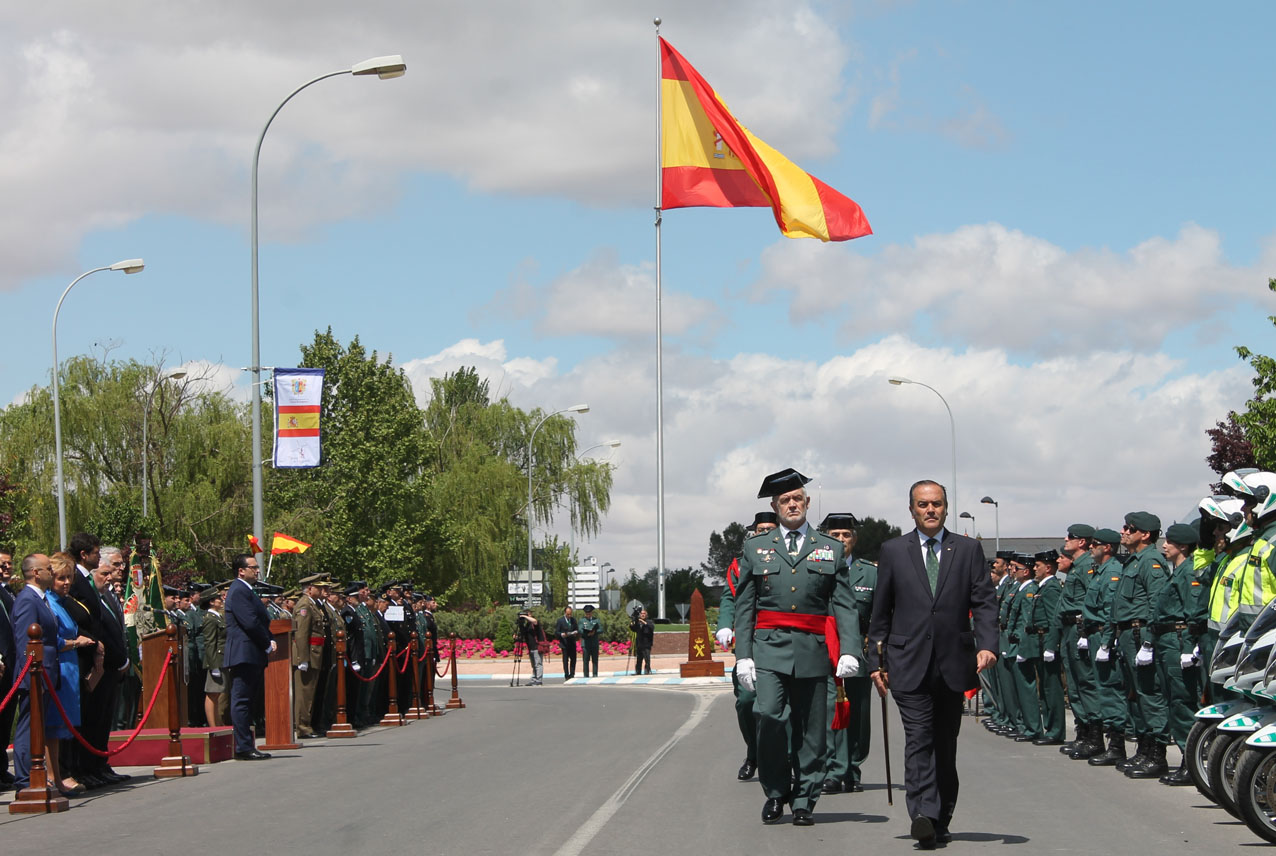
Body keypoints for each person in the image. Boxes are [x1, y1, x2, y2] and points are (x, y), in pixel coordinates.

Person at [866, 480, 998, 849]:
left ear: (945, 507)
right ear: (911, 509)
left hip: (953, 663)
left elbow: (985, 601)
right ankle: (922, 814)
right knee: (919, 739)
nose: (930, 510)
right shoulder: (894, 551)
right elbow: (882, 611)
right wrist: (876, 662)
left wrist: (987, 645)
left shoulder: (968, 549)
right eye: (922, 504)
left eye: (936, 504)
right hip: (907, 662)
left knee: (945, 744)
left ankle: (941, 816)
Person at [734, 468, 858, 827]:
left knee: (811, 730)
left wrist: (849, 649)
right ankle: (775, 790)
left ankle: (804, 798)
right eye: (785, 500)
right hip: (769, 649)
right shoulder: (756, 548)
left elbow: (845, 604)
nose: (792, 504)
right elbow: (745, 605)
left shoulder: (829, 548)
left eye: (798, 499)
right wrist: (744, 656)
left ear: (807, 503)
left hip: (813, 649)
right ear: (775, 506)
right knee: (770, 715)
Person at [717, 510, 778, 780]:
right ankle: (753, 753)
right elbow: (730, 598)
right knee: (745, 702)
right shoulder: (739, 565)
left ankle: (782, 759)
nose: (764, 533)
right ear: (752, 533)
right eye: (760, 529)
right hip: (750, 644)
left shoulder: (790, 561)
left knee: (778, 707)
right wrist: (725, 625)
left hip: (779, 642)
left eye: (769, 529)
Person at [819, 512, 877, 795]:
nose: (841, 540)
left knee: (858, 714)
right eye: (835, 536)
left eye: (846, 535)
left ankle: (853, 766)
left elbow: (881, 617)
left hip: (860, 652)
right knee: (831, 709)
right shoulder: (815, 568)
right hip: (825, 652)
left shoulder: (871, 572)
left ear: (855, 539)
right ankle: (834, 768)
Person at [1111, 511, 1170, 778]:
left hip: (1139, 634)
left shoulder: (1151, 561)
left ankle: (1157, 754)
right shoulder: (1133, 561)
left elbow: (1158, 602)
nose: (1123, 532)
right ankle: (1144, 749)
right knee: (1137, 696)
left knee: (1150, 694)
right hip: (1128, 634)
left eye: (1129, 528)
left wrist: (1148, 642)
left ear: (1145, 534)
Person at [1150, 522, 1203, 785]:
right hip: (1167, 639)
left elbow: (1192, 610)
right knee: (1173, 700)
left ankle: (1191, 762)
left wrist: (1187, 648)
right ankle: (1188, 759)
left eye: (1169, 542)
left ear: (1183, 545)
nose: (1164, 545)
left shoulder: (1189, 570)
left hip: (1177, 639)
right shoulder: (1177, 571)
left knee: (1183, 702)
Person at [46, 553, 98, 796]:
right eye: (60, 578)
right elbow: (51, 638)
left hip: (70, 667)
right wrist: (75, 643)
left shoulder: (63, 602)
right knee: (56, 723)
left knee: (66, 724)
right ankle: (57, 774)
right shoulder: (48, 602)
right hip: (60, 665)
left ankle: (64, 772)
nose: (66, 582)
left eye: (69, 578)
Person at [10, 554, 62, 791]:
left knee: (37, 725)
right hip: (35, 675)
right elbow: (24, 641)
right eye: (48, 568)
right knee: (28, 726)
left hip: (46, 673)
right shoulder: (27, 600)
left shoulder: (41, 599)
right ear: (36, 573)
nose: (53, 571)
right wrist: (32, 676)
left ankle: (35, 774)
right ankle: (24, 778)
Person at [223, 554, 274, 760]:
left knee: (246, 700)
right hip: (244, 652)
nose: (257, 570)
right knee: (241, 700)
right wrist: (266, 643)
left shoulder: (246, 590)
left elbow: (258, 620)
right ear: (241, 570)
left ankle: (246, 744)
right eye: (253, 567)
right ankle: (243, 746)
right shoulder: (238, 591)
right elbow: (250, 622)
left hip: (251, 652)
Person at [291, 575, 327, 738]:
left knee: (309, 692)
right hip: (308, 654)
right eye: (318, 588)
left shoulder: (313, 605)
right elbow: (301, 633)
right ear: (310, 589)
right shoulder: (304, 605)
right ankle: (302, 726)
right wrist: (302, 658)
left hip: (315, 653)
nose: (321, 590)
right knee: (304, 693)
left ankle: (307, 724)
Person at [0, 546, 17, 789]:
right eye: (1, 564)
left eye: (8, 563)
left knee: (5, 720)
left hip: (13, 665)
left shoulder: (10, 592)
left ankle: (2, 769)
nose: (6, 568)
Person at [200, 586, 228, 726]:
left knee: (217, 693)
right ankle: (213, 725)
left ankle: (217, 723)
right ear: (211, 602)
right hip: (215, 660)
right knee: (212, 693)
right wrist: (213, 666)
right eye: (218, 598)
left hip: (221, 658)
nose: (221, 600)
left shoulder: (218, 616)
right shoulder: (210, 618)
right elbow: (210, 643)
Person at [518, 609, 545, 686]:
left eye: (527, 614)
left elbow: (535, 621)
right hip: (530, 647)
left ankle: (539, 679)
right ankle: (534, 679)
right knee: (533, 665)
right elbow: (523, 633)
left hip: (537, 646)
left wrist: (525, 616)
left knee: (538, 664)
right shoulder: (527, 625)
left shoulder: (534, 624)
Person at [556, 606, 580, 680]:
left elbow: (576, 629)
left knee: (573, 659)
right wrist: (561, 634)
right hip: (564, 643)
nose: (569, 616)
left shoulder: (573, 620)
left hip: (572, 642)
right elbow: (557, 632)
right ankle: (566, 674)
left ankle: (572, 674)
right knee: (565, 660)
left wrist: (575, 632)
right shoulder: (560, 621)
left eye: (570, 614)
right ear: (565, 613)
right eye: (568, 614)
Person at [629, 608, 654, 675]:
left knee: (647, 659)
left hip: (646, 644)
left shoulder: (649, 622)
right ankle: (638, 671)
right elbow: (634, 629)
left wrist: (643, 622)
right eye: (641, 614)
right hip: (639, 643)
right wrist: (632, 623)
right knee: (639, 659)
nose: (642, 615)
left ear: (646, 615)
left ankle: (647, 671)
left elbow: (650, 628)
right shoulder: (638, 623)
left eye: (644, 614)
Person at [579, 605, 601, 677]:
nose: (588, 615)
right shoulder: (582, 620)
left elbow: (601, 629)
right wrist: (587, 633)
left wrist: (595, 632)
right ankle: (586, 675)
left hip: (594, 642)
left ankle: (595, 674)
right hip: (586, 643)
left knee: (595, 660)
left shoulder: (596, 620)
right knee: (586, 660)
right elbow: (580, 630)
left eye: (589, 613)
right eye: (587, 614)